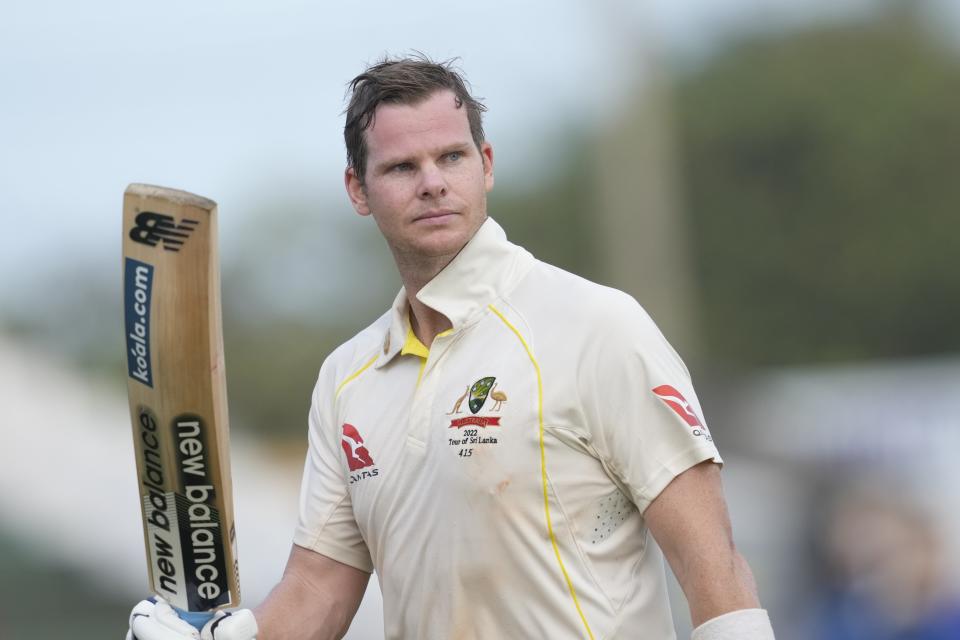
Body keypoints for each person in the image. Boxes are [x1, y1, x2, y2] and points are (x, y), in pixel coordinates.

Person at [127, 54, 775, 640]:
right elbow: (318, 590)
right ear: (358, 189)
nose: (432, 182)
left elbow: (713, 566)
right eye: (402, 167)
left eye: (452, 157)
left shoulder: (596, 326)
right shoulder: (348, 377)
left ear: (485, 165)